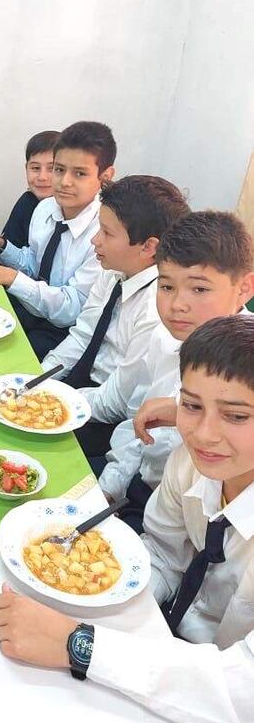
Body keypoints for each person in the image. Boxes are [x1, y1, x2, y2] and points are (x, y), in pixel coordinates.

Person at [0, 316, 254, 723]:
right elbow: (165, 557)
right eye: (191, 406)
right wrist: (77, 592)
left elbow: (242, 693)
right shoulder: (189, 466)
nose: (205, 434)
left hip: (226, 704)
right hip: (166, 640)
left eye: (236, 416)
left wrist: (80, 643)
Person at [97, 211, 254, 532]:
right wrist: (109, 488)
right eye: (166, 286)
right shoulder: (164, 337)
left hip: (201, 521)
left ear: (244, 288)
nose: (177, 304)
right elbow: (140, 429)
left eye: (199, 290)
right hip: (143, 487)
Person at [41, 176, 190, 460]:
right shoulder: (111, 272)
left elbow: (118, 401)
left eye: (107, 233)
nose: (95, 240)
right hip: (80, 390)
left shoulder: (157, 307)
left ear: (149, 247)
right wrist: (39, 377)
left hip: (104, 419)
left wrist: (51, 401)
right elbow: (82, 336)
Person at [0, 121, 116, 358]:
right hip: (32, 309)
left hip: (65, 332)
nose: (64, 181)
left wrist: (10, 277)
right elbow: (34, 264)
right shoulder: (46, 208)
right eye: (59, 169)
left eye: (79, 173)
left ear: (106, 176)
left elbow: (71, 309)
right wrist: (1, 246)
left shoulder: (104, 233)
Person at [1, 130, 61, 248]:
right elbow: (10, 248)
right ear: (26, 168)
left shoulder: (70, 212)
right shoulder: (27, 201)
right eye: (35, 168)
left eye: (52, 168)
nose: (42, 177)